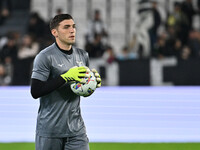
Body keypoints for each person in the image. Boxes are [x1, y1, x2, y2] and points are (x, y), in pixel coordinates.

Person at [30, 14, 101, 150]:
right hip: (50, 131)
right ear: (54, 32)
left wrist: (90, 85)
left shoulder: (82, 55)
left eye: (73, 27)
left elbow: (78, 91)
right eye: (66, 27)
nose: (72, 30)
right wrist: (65, 77)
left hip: (76, 130)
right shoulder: (44, 57)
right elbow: (36, 91)